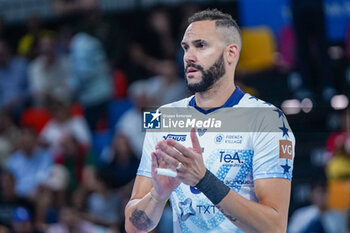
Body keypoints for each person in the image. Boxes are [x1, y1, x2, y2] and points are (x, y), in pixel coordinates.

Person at [124, 9, 296, 233]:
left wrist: (203, 180)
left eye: (201, 45)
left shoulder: (268, 120)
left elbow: (275, 227)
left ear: (231, 53)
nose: (188, 56)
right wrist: (158, 195)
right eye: (186, 47)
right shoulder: (164, 118)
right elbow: (133, 227)